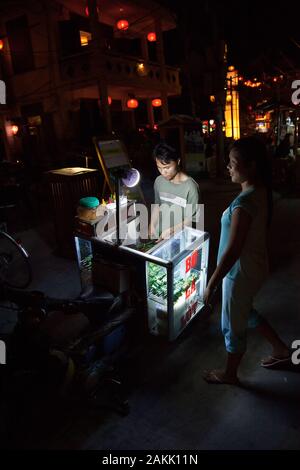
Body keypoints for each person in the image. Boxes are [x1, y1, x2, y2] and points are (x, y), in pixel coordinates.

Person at [203, 136, 290, 385]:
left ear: (251, 166)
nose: (228, 167)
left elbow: (232, 251)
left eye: (233, 162)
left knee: (232, 324)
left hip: (239, 272)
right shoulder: (260, 191)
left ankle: (229, 374)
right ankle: (281, 349)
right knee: (245, 311)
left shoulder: (244, 203)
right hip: (255, 266)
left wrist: (213, 282)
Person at [149, 142, 201, 241]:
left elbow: (191, 220)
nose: (163, 172)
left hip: (181, 239)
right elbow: (157, 206)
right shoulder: (158, 181)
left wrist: (172, 230)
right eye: (159, 168)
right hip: (161, 236)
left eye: (167, 168)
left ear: (178, 161)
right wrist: (152, 225)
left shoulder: (191, 187)